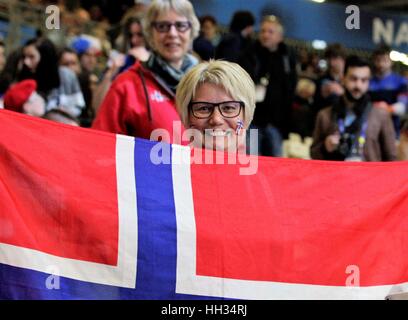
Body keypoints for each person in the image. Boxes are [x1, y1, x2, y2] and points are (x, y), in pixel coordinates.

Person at [92, 0, 200, 143]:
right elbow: (101, 144)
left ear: (192, 30)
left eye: (181, 25)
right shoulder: (127, 85)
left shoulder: (206, 82)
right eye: (162, 26)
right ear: (150, 33)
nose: (172, 33)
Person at [311, 56, 396, 162]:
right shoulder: (324, 115)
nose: (358, 85)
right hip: (335, 176)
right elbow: (313, 154)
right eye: (353, 79)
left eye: (364, 80)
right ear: (343, 78)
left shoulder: (381, 115)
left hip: (369, 177)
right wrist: (325, 147)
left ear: (368, 82)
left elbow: (392, 158)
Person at [239, 15, 297, 157]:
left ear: (279, 37)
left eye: (270, 32)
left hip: (276, 123)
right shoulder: (250, 54)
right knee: (251, 162)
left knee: (275, 167)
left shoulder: (287, 58)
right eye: (263, 31)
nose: (265, 35)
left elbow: (290, 87)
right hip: (253, 121)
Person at [176, 60, 256, 152]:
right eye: (204, 108)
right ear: (186, 116)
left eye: (228, 108)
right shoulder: (171, 165)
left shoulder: (269, 166)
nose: (216, 119)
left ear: (247, 115)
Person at [18, 38, 85, 118]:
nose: (26, 62)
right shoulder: (24, 80)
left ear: (45, 57)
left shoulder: (66, 75)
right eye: (24, 57)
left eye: (31, 57)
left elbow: (78, 106)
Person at [369, 45, 408, 136]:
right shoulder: (368, 81)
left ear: (391, 62)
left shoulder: (400, 81)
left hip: (392, 127)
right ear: (374, 61)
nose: (381, 64)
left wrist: (386, 108)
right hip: (371, 127)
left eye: (385, 60)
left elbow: (402, 107)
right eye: (378, 60)